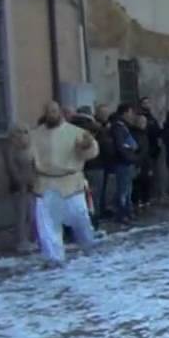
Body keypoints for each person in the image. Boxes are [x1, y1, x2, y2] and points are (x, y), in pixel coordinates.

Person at [30, 102, 99, 264]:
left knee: (80, 219)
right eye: (48, 112)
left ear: (59, 113)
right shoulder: (36, 135)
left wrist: (86, 146)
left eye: (54, 111)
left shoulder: (75, 132)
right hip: (45, 183)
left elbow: (90, 153)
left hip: (71, 183)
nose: (51, 114)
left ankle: (88, 246)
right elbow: (28, 155)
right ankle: (54, 257)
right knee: (47, 224)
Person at [5, 124, 36, 252]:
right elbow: (11, 169)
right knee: (21, 215)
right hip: (19, 186)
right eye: (19, 132)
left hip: (32, 185)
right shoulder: (10, 149)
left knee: (32, 213)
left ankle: (30, 238)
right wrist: (20, 183)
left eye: (25, 131)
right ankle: (21, 241)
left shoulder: (31, 147)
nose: (23, 134)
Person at [109, 104, 140, 224]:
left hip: (126, 162)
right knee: (123, 190)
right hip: (122, 162)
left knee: (127, 189)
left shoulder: (123, 126)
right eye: (130, 113)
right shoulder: (118, 126)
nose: (132, 116)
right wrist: (131, 155)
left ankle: (127, 211)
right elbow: (121, 146)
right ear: (125, 113)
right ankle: (122, 214)